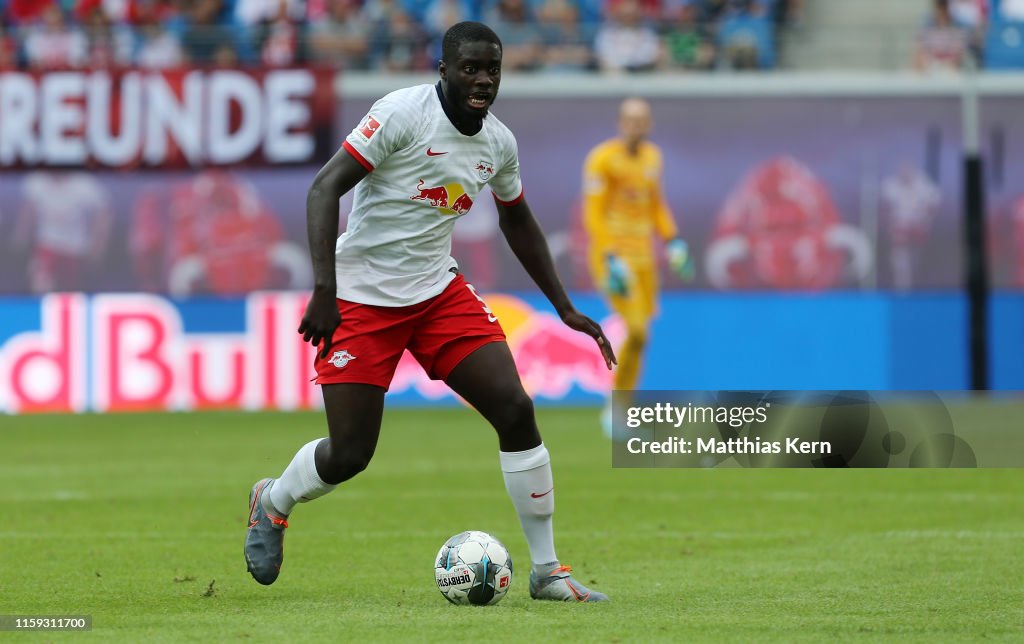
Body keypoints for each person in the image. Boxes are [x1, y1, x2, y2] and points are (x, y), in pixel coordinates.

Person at [244, 21, 615, 603]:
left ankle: (547, 571)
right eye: (469, 68)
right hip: (360, 297)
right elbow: (323, 189)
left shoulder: (498, 142)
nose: (482, 80)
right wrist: (324, 289)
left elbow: (516, 218)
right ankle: (274, 500)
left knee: (516, 408)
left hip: (437, 294)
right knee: (350, 453)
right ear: (443, 70)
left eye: (491, 69)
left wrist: (564, 306)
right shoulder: (401, 114)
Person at [582, 98, 692, 436]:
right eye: (630, 119)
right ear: (619, 122)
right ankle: (614, 409)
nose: (636, 125)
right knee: (637, 330)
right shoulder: (602, 159)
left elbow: (656, 204)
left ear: (650, 124)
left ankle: (621, 409)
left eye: (642, 120)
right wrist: (609, 256)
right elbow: (593, 213)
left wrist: (672, 239)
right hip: (615, 259)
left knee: (642, 336)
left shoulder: (652, 158)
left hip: (645, 258)